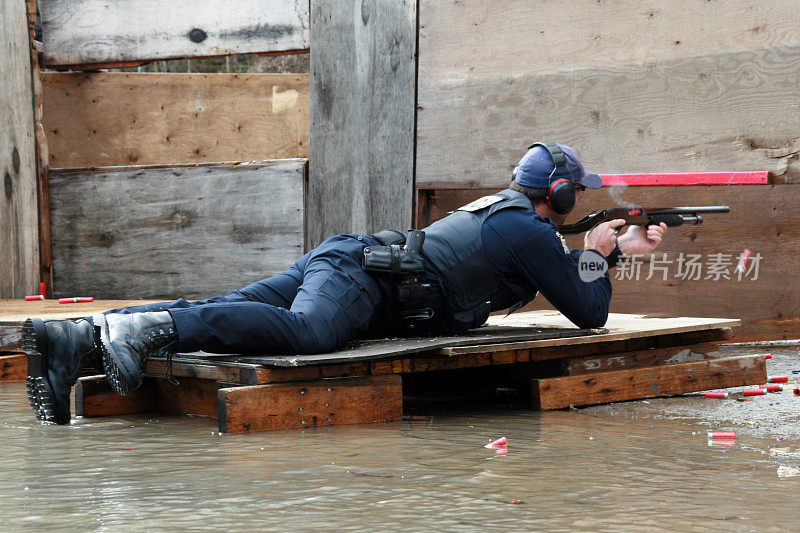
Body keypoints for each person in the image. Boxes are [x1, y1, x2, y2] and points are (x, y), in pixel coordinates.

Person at [23, 142, 667, 424]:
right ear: (559, 191)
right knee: (308, 334)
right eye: (575, 193)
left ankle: (79, 338)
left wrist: (602, 247)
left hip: (353, 262)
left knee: (234, 307)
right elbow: (589, 314)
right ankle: (138, 329)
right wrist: (602, 254)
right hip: (364, 279)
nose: (577, 200)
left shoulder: (505, 215)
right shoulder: (531, 232)